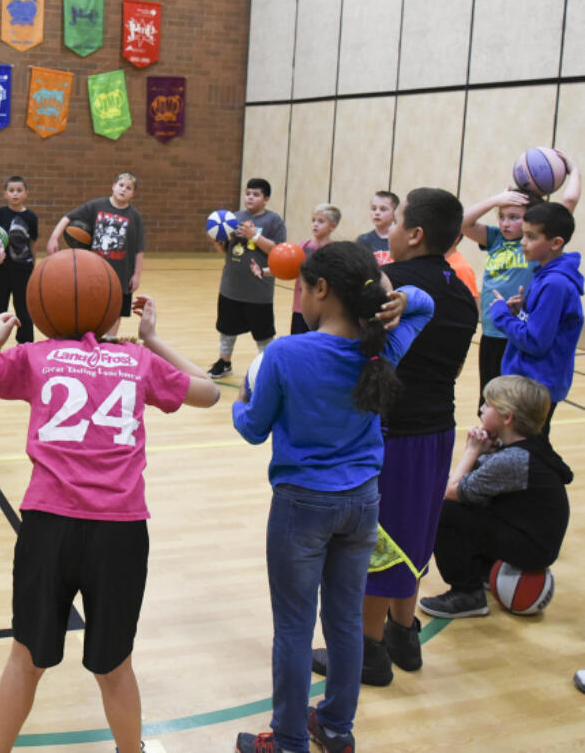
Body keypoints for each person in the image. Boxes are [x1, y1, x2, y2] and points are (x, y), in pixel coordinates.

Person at [0, 297, 219, 753]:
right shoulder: (137, 359)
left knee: (26, 657)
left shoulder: (36, 356)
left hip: (48, 527)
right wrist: (152, 339)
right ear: (112, 311)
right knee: (114, 665)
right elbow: (209, 391)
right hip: (119, 531)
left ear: (46, 313)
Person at [232, 241, 432, 753]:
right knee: (344, 623)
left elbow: (254, 431)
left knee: (294, 629)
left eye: (301, 287)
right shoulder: (380, 345)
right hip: (363, 502)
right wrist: (399, 298)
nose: (297, 296)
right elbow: (425, 303)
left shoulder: (284, 354)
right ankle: (338, 729)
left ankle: (291, 740)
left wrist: (241, 402)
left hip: (301, 506)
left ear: (321, 290)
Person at [312, 188, 478, 687]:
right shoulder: (465, 292)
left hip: (392, 433)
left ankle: (367, 652)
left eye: (397, 219)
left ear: (415, 233)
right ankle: (403, 634)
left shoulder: (393, 286)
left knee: (375, 544)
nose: (391, 228)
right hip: (439, 431)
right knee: (415, 535)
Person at [419, 375, 571, 619]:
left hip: (532, 549)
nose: (481, 408)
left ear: (507, 417)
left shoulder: (512, 461)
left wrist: (471, 451)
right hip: (531, 536)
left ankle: (467, 594)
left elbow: (449, 491)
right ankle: (484, 569)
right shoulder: (529, 445)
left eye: (488, 405)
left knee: (444, 510)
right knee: (472, 502)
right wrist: (482, 455)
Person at [462, 161, 579, 409]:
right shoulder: (494, 238)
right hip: (494, 329)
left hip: (517, 332)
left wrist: (572, 170)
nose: (505, 223)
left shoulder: (538, 248)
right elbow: (463, 223)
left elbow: (568, 203)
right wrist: (496, 199)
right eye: (502, 217)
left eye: (514, 218)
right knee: (488, 405)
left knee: (513, 409)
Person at [488, 202, 583, 435]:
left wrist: (500, 314)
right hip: (531, 382)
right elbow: (541, 328)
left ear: (556, 243)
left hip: (536, 385)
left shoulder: (555, 284)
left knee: (530, 450)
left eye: (531, 236)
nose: (522, 242)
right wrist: (520, 312)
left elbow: (535, 342)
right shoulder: (545, 275)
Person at [45, 172, 145, 338]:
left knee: (116, 310)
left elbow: (139, 248)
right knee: (92, 306)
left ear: (133, 194)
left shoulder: (135, 217)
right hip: (94, 270)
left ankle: (110, 341)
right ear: (113, 186)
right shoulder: (97, 206)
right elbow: (68, 217)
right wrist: (54, 237)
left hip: (121, 273)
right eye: (121, 185)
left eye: (128, 188)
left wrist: (136, 275)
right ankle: (91, 339)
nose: (123, 190)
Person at [206, 178, 286, 377]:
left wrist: (255, 236)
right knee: (226, 328)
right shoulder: (234, 217)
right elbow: (228, 250)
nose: (250, 197)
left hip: (259, 290)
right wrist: (217, 240)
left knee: (264, 333)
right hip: (231, 285)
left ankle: (268, 366)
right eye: (248, 193)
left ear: (266, 199)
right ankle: (224, 362)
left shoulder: (273, 221)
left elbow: (278, 252)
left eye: (256, 194)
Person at [253, 204, 340, 335]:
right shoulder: (302, 247)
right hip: (300, 310)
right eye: (314, 220)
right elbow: (286, 269)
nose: (315, 224)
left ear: (332, 226)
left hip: (324, 312)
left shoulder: (334, 251)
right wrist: (263, 271)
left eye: (321, 221)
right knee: (298, 344)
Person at [0, 176, 39, 344]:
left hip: (22, 271)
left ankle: (25, 344)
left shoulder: (31, 217)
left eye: (19, 190)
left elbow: (33, 244)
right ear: (5, 193)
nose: (15, 194)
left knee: (24, 309)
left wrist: (33, 269)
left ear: (26, 193)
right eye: (11, 190)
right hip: (1, 270)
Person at [356, 191, 397, 266]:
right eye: (374, 208)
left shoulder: (401, 240)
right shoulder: (364, 240)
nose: (377, 213)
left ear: (395, 214)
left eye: (383, 209)